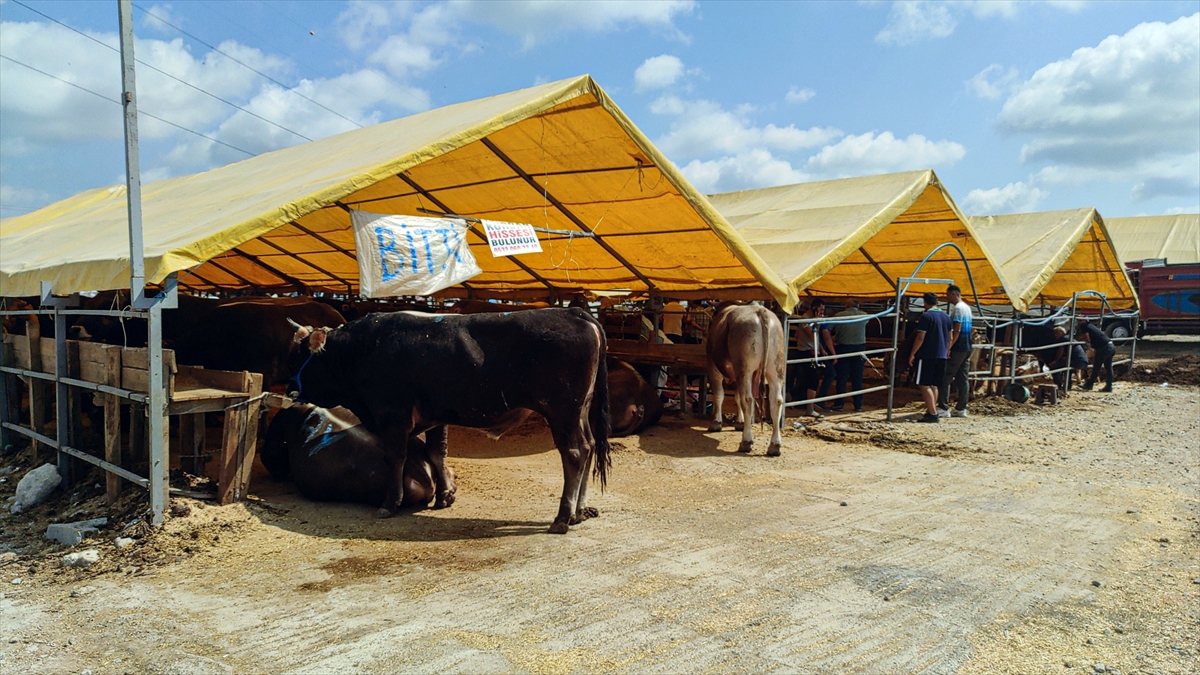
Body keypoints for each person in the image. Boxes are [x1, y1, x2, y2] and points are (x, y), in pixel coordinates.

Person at [908, 292, 952, 423]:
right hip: (942, 354)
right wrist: (947, 350)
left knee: (924, 384)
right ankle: (931, 409)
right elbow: (950, 337)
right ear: (937, 302)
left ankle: (932, 414)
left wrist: (912, 354)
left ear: (925, 303)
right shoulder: (946, 317)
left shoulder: (926, 317)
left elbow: (920, 337)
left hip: (927, 354)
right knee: (934, 384)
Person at [937, 285, 973, 418]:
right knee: (962, 378)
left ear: (953, 294)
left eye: (947, 295)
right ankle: (961, 408)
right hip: (967, 346)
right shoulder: (967, 308)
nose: (947, 298)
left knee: (946, 376)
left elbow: (957, 329)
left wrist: (949, 346)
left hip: (958, 347)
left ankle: (943, 407)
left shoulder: (958, 309)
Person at [790, 299, 827, 418]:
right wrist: (817, 323)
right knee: (812, 380)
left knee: (805, 380)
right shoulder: (805, 319)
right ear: (814, 308)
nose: (822, 312)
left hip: (811, 350)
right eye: (820, 310)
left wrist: (821, 349)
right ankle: (809, 408)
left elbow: (799, 335)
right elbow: (812, 336)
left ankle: (795, 399)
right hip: (806, 352)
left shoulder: (808, 320)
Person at [830, 299, 868, 412]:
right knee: (857, 377)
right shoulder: (864, 316)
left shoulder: (839, 316)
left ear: (846, 305)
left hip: (843, 347)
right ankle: (858, 404)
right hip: (859, 348)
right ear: (858, 306)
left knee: (842, 376)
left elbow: (829, 328)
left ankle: (839, 403)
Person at [1076, 320, 1115, 392]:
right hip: (1110, 345)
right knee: (1108, 367)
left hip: (1103, 348)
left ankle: (1089, 385)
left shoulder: (1084, 326)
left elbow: (1087, 339)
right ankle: (1109, 386)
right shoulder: (1090, 325)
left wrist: (1078, 339)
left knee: (1097, 367)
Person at [1048, 326, 1088, 392]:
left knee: (1055, 366)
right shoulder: (1069, 338)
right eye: (1054, 333)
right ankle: (1067, 385)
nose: (1055, 335)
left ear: (1062, 333)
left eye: (1057, 333)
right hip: (1082, 359)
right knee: (1067, 366)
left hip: (1077, 361)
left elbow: (1060, 351)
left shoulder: (1063, 339)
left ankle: (1058, 385)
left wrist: (1055, 361)